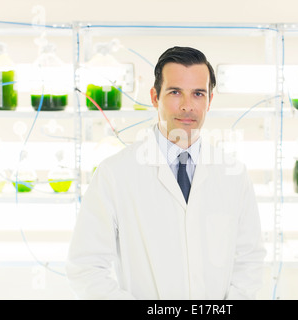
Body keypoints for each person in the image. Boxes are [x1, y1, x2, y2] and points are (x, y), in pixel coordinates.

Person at [66, 46, 266, 300]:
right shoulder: (114, 174)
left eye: (198, 94)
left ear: (210, 101)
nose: (187, 106)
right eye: (175, 92)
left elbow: (249, 262)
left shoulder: (234, 175)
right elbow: (85, 267)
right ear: (154, 97)